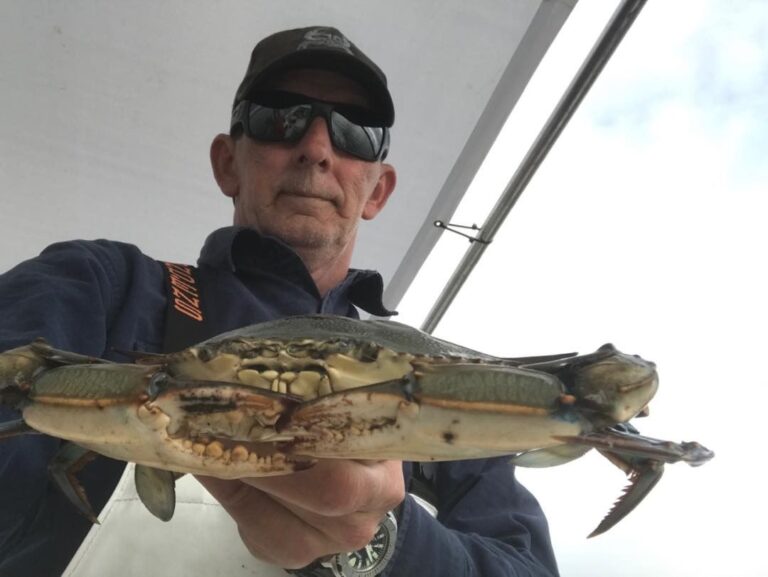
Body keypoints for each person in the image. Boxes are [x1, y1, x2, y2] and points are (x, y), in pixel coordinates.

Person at [0, 26, 560, 577]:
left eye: (354, 132)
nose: (315, 148)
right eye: (279, 117)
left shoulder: (453, 380)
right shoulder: (104, 286)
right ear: (227, 163)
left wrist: (381, 544)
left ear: (379, 189)